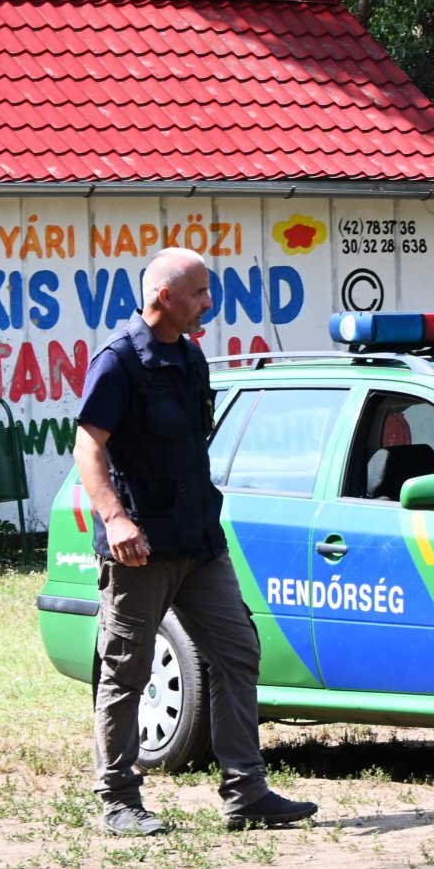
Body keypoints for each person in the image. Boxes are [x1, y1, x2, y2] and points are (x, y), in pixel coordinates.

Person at [74, 248, 317, 835]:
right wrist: (115, 519)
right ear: (165, 297)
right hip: (142, 547)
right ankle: (119, 800)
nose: (210, 302)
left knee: (238, 651)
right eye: (202, 292)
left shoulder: (189, 356)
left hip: (200, 541)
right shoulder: (118, 363)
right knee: (127, 669)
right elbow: (89, 445)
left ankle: (246, 791)